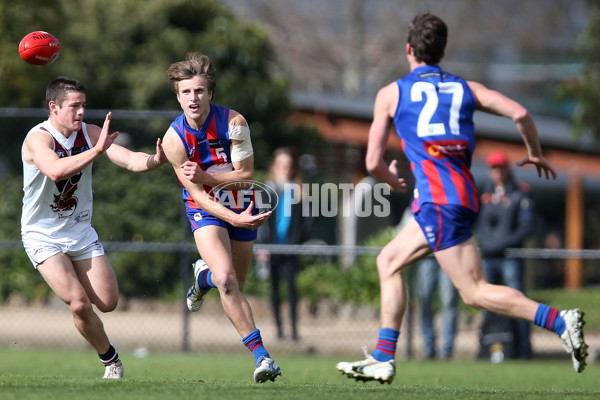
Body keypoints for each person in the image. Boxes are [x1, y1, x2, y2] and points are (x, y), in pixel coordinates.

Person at [336, 13, 587, 384]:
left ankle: (559, 320)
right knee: (388, 261)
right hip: (461, 197)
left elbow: (372, 161)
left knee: (474, 292)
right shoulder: (467, 88)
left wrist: (390, 176)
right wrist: (533, 152)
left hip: (438, 201)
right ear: (442, 51)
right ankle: (383, 358)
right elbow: (520, 113)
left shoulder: (391, 94)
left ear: (408, 49)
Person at [21, 76, 167, 379]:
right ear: (54, 107)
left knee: (108, 302)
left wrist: (155, 159)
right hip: (42, 235)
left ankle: (105, 350)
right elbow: (55, 170)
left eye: (84, 106)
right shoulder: (39, 138)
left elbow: (129, 160)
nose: (81, 112)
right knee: (78, 303)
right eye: (74, 106)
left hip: (79, 232)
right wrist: (96, 151)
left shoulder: (90, 134)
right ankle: (110, 361)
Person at [161, 52, 281, 383]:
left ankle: (203, 279)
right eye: (186, 92)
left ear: (210, 94)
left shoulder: (234, 123)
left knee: (235, 286)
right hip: (205, 209)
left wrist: (206, 176)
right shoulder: (174, 141)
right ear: (178, 96)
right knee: (227, 280)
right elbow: (198, 195)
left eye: (199, 91)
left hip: (243, 200)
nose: (193, 98)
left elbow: (245, 175)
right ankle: (262, 358)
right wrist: (230, 215)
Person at [476, 149, 535, 359]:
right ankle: (487, 350)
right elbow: (480, 225)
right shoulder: (486, 194)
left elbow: (527, 227)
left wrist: (502, 244)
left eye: (500, 166)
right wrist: (484, 243)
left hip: (509, 257)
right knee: (486, 304)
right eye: (493, 167)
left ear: (507, 168)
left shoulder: (520, 192)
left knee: (518, 303)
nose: (496, 171)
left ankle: (524, 351)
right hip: (489, 258)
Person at [255, 147, 312, 341]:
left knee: (292, 289)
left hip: (291, 248)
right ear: (275, 166)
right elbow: (259, 221)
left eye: (288, 165)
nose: (285, 169)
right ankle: (279, 330)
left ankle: (294, 331)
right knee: (275, 289)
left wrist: (298, 241)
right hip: (271, 248)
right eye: (281, 165)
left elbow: (307, 222)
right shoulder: (267, 190)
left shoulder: (299, 192)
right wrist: (262, 246)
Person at [416, 256, 459, 359]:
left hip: (449, 255)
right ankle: (428, 348)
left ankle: (447, 351)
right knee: (424, 302)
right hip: (428, 256)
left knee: (449, 304)